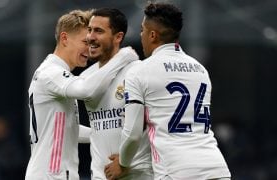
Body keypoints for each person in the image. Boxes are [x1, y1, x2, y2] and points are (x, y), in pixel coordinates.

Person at [104, 2, 231, 180]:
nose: (141, 36)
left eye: (142, 30)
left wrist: (123, 164)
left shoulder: (140, 71)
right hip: (216, 168)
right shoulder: (200, 69)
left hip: (176, 171)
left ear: (153, 35)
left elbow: (132, 134)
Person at [25, 9, 138, 180]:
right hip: (51, 175)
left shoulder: (56, 76)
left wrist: (106, 132)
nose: (90, 46)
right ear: (64, 38)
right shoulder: (51, 73)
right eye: (84, 41)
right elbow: (86, 90)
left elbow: (68, 130)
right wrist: (123, 57)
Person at [80, 8, 153, 180]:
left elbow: (154, 124)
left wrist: (124, 162)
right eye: (89, 30)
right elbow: (96, 131)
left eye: (98, 31)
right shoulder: (85, 77)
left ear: (118, 37)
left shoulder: (138, 71)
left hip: (138, 174)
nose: (90, 37)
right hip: (100, 175)